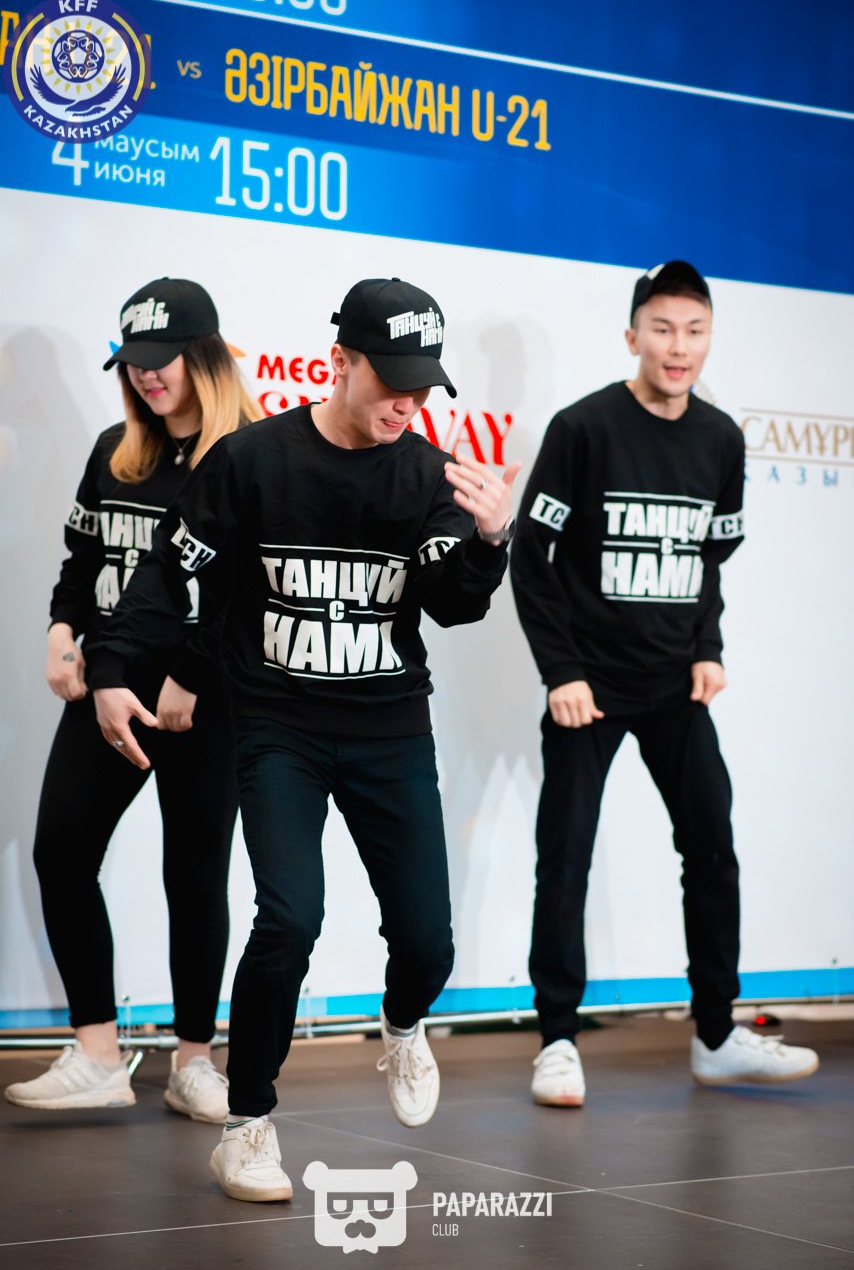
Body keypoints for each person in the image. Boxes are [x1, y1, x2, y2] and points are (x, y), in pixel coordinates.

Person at [88, 276, 520, 1201]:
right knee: (289, 917)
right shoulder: (251, 461)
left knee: (428, 945)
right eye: (391, 381)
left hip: (389, 730)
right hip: (278, 727)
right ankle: (247, 1123)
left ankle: (402, 1025)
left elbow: (452, 604)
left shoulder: (426, 474)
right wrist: (111, 668)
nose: (406, 403)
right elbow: (170, 574)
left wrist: (490, 540)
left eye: (422, 386)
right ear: (340, 364)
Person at [510, 260, 819, 1107]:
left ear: (708, 338)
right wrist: (562, 671)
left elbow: (709, 558)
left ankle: (716, 1036)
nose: (678, 347)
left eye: (694, 331)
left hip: (676, 686)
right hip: (589, 689)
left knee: (712, 849)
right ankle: (557, 1041)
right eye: (662, 329)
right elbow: (530, 558)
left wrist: (708, 646)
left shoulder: (720, 439)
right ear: (633, 337)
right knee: (565, 858)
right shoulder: (582, 428)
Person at [5, 278, 261, 1122]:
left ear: (206, 358)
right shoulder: (116, 450)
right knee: (60, 852)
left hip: (205, 696)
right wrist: (61, 629)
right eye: (134, 362)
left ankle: (194, 1060)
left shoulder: (250, 455)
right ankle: (97, 1053)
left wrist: (191, 674)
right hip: (106, 688)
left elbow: (250, 594)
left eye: (164, 360)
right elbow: (83, 562)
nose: (147, 376)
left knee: (195, 873)